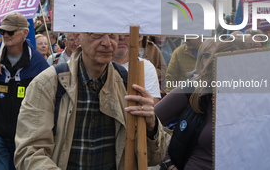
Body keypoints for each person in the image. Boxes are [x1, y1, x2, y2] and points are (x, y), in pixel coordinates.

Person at [14, 32, 167, 169]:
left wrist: (151, 125)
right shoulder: (47, 84)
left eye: (113, 35)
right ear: (77, 35)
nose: (107, 42)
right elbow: (29, 153)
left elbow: (154, 158)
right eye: (96, 34)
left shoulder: (129, 85)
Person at [155, 41, 270, 170]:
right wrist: (168, 161)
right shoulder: (193, 90)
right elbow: (148, 122)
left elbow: (259, 148)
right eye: (231, 65)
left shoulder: (258, 100)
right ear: (215, 65)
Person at [0, 12, 49, 170]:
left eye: (10, 31)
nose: (5, 35)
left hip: (24, 135)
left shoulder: (37, 61)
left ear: (25, 33)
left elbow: (49, 97)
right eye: (2, 31)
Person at [113, 34, 161, 104]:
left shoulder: (146, 66)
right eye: (116, 33)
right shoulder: (98, 66)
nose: (122, 37)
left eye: (127, 34)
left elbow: (153, 104)